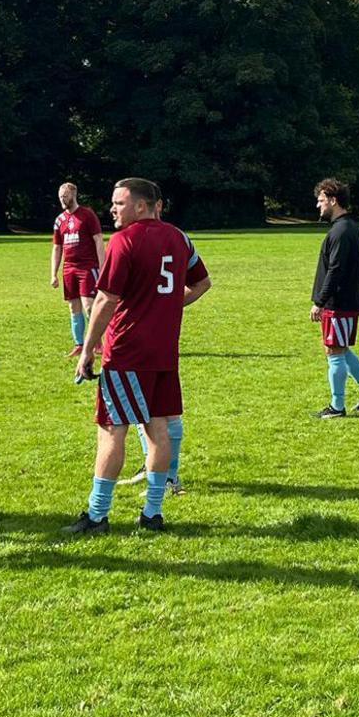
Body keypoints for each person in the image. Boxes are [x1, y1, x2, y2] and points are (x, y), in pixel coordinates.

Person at [64, 178, 211, 534]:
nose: (112, 209)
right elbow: (202, 283)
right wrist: (168, 307)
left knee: (112, 430)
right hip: (164, 352)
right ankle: (152, 513)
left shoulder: (125, 241)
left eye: (119, 203)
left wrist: (87, 349)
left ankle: (97, 516)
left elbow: (106, 299)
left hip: (128, 352)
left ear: (142, 206)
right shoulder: (180, 238)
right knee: (158, 428)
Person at [310, 177, 359, 419]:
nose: (318, 206)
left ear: (333, 200)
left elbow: (336, 269)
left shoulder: (341, 231)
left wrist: (320, 301)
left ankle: (336, 407)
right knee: (341, 349)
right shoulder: (347, 227)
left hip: (338, 304)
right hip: (345, 302)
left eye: (321, 201)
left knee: (334, 352)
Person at [50, 182, 103, 358]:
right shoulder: (59, 220)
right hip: (69, 268)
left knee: (89, 306)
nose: (62, 200)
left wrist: (102, 267)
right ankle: (79, 344)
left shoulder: (87, 215)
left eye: (65, 196)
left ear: (73, 194)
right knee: (74, 307)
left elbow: (98, 240)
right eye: (60, 197)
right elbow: (57, 248)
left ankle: (97, 342)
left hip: (87, 267)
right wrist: (54, 273)